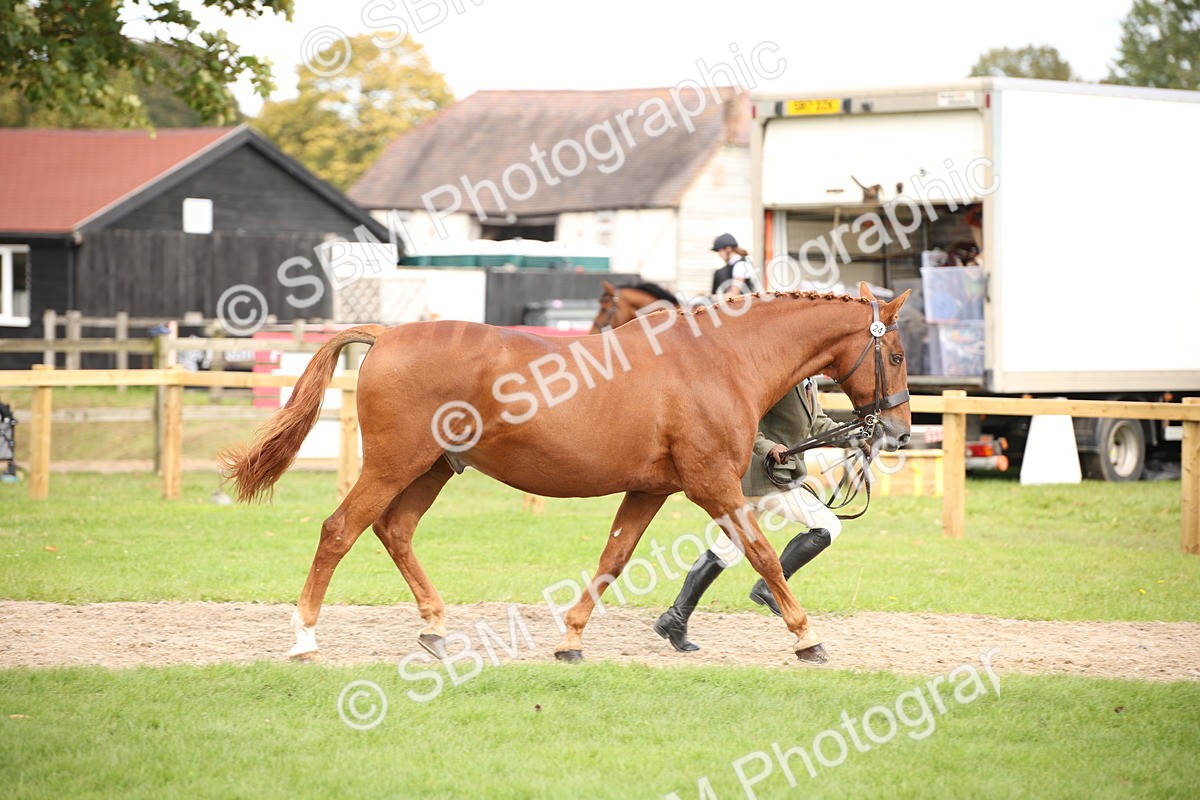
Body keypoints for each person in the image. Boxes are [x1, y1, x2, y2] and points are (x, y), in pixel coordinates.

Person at [654, 377, 850, 652]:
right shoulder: (782, 379)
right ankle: (770, 588)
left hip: (769, 480)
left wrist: (852, 435)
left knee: (728, 550)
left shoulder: (807, 381)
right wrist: (769, 447)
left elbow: (817, 423)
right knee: (827, 524)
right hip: (764, 478)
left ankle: (675, 617)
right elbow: (746, 422)